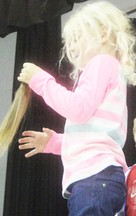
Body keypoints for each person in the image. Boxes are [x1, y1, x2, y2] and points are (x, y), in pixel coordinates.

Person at [17, 1, 136, 215]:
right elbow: (93, 136)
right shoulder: (110, 70)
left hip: (94, 178)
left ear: (102, 34)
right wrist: (54, 143)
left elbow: (78, 109)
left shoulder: (101, 62)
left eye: (77, 38)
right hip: (100, 179)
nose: (71, 47)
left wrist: (41, 81)